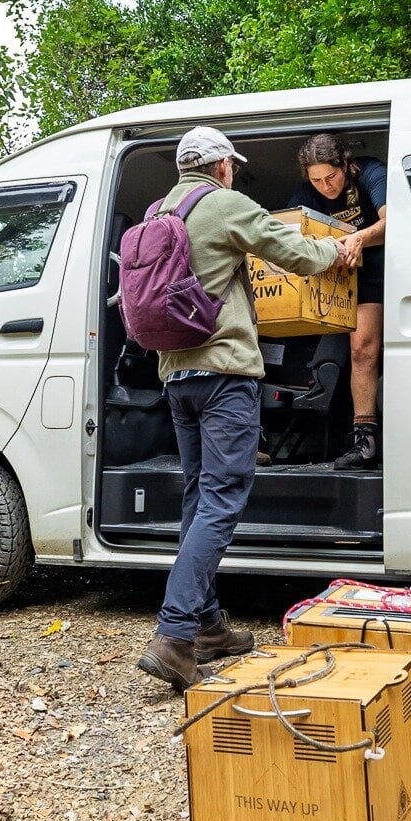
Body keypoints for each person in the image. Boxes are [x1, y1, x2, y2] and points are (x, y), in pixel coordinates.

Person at [137, 126, 344, 691]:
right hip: (225, 376)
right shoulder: (224, 204)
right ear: (223, 166)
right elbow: (296, 254)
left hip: (176, 377)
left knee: (199, 496)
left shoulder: (160, 211)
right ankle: (175, 637)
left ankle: (207, 627)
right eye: (233, 165)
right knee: (222, 500)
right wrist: (337, 248)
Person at [290, 132, 387, 470]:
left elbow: (395, 222)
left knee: (363, 348)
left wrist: (360, 235)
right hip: (333, 281)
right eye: (316, 180)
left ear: (345, 164)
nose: (325, 186)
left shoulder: (373, 174)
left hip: (375, 275)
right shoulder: (307, 194)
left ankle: (366, 439)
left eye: (331, 176)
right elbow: (288, 234)